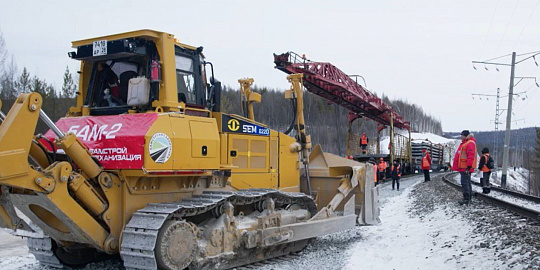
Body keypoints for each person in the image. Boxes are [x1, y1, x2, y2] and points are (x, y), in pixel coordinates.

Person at [452, 130, 477, 205]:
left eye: (462, 135)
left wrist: (468, 167)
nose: (461, 137)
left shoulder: (469, 144)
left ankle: (466, 198)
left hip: (465, 167)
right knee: (467, 182)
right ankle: (468, 198)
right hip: (465, 167)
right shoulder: (466, 143)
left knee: (464, 183)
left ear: (465, 136)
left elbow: (471, 155)